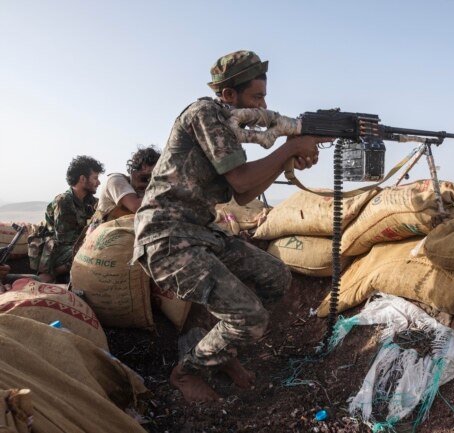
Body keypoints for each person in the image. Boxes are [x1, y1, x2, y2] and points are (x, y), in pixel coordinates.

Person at [134, 50, 328, 403]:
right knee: (250, 317)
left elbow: (246, 193)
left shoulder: (226, 124)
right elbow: (241, 181)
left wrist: (290, 151)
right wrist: (289, 150)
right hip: (166, 237)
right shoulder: (204, 113)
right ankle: (187, 371)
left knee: (275, 277)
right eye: (256, 97)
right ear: (228, 95)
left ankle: (221, 352)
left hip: (198, 233)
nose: (263, 104)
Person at [37, 156, 104, 283]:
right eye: (95, 178)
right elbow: (65, 240)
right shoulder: (64, 201)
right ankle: (53, 274)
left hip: (74, 247)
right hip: (57, 250)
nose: (99, 183)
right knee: (92, 251)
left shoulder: (92, 202)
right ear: (82, 179)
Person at [88, 145, 161, 232]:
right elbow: (136, 206)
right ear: (145, 166)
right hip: (103, 238)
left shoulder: (145, 187)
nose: (161, 171)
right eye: (158, 166)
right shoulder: (115, 180)